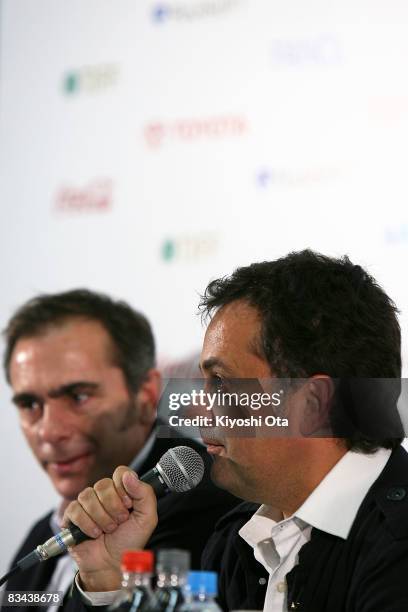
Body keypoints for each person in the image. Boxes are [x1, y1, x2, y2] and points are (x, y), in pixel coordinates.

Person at [45, 251, 408, 611]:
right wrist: (107, 580)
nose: (199, 406)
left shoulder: (397, 546)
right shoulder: (236, 536)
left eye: (220, 381)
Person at [0, 289, 238, 612]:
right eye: (29, 404)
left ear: (145, 394)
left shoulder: (205, 503)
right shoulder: (44, 531)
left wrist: (101, 586)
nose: (49, 431)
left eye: (79, 397)